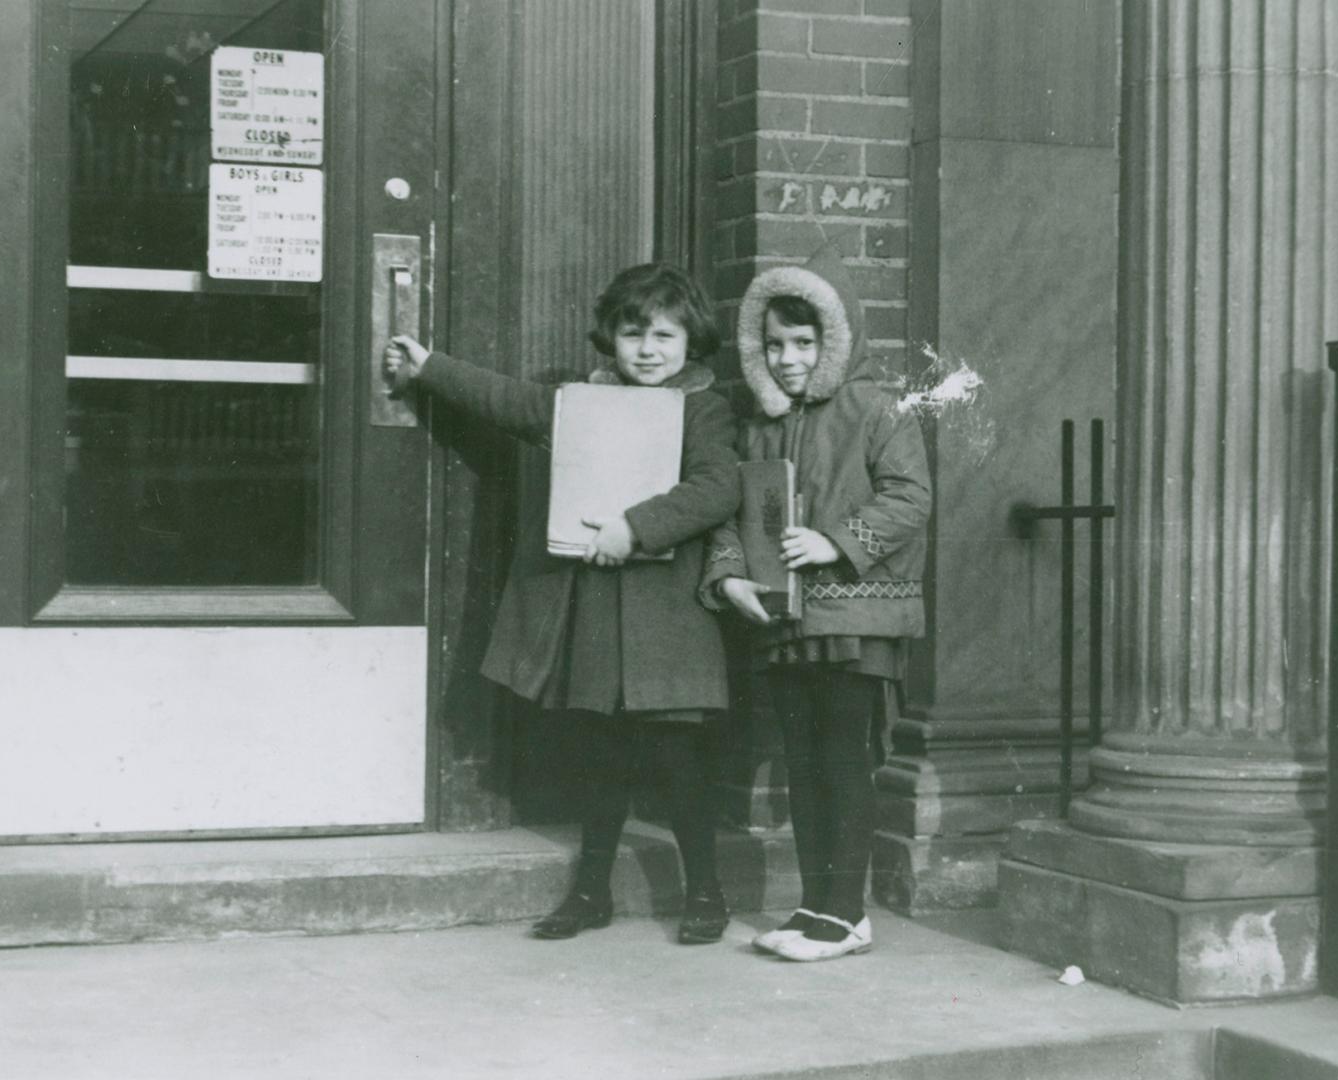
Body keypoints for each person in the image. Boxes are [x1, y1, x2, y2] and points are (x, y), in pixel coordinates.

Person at [384, 264, 740, 945]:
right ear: (609, 337)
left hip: (671, 617)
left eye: (665, 335)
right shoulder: (583, 402)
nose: (648, 350)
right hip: (599, 612)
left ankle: (706, 891)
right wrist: (431, 367)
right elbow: (512, 403)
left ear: (691, 341)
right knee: (600, 756)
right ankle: (589, 892)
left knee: (677, 758)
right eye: (633, 333)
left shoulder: (704, 406)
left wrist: (635, 527)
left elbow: (717, 488)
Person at [702, 243, 931, 962]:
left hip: (858, 616)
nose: (788, 358)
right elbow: (734, 513)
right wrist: (731, 573)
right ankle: (815, 904)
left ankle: (846, 910)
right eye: (773, 344)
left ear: (836, 340)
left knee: (840, 758)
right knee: (802, 762)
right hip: (790, 619)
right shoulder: (759, 424)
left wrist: (836, 541)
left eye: (804, 342)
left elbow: (911, 497)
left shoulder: (876, 409)